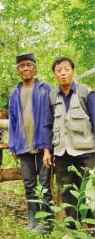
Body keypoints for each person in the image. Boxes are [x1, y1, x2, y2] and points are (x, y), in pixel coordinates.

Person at [43, 57, 95, 230]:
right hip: (61, 152)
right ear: (55, 74)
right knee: (66, 191)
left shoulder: (85, 93)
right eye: (59, 70)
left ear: (73, 71)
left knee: (88, 192)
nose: (63, 73)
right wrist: (46, 151)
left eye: (66, 69)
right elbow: (48, 124)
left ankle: (90, 229)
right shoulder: (52, 96)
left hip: (85, 152)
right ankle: (73, 229)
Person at [9, 53, 53, 233]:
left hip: (43, 145)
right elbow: (12, 120)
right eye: (22, 66)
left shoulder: (45, 89)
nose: (25, 68)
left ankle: (46, 222)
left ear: (35, 68)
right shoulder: (15, 93)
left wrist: (49, 146)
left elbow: (51, 117)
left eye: (28, 65)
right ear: (18, 71)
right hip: (23, 144)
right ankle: (33, 220)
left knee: (44, 184)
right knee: (29, 184)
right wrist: (13, 144)